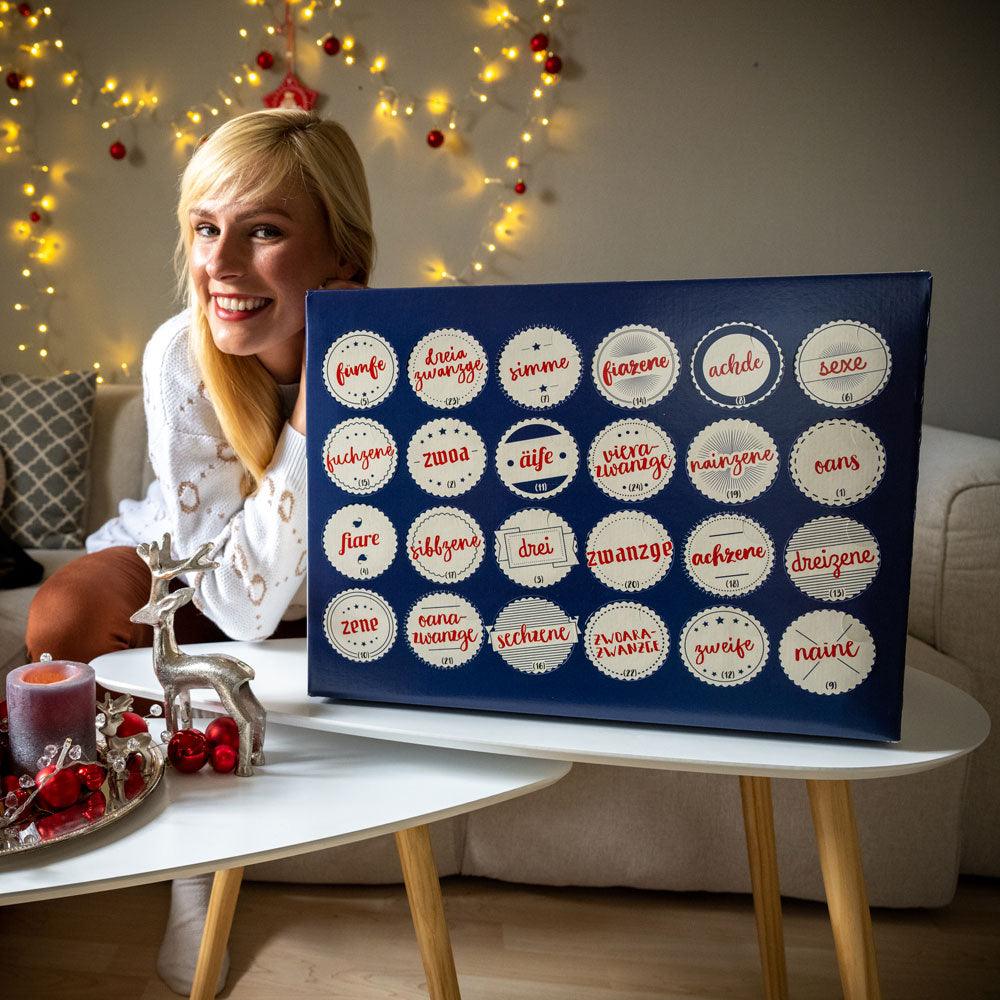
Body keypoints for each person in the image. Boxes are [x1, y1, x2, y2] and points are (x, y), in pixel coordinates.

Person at [24, 107, 376, 995]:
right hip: (196, 573)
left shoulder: (406, 354)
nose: (219, 263)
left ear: (342, 255)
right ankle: (195, 871)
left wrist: (342, 376)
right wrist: (314, 412)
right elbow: (237, 603)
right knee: (64, 617)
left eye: (263, 232)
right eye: (207, 228)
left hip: (335, 587)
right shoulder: (181, 355)